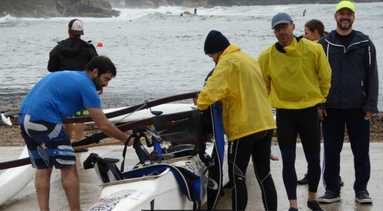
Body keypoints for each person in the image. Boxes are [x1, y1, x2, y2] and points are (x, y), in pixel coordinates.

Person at [19, 56, 131, 211]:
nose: (106, 84)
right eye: (106, 79)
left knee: (44, 168)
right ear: (95, 72)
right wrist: (126, 139)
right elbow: (103, 125)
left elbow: (57, 101)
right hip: (44, 121)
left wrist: (63, 138)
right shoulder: (86, 85)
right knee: (69, 167)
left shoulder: (72, 76)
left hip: (24, 119)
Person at [258, 13, 332, 211]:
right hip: (284, 114)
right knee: (288, 159)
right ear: (274, 31)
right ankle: (293, 205)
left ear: (293, 26)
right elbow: (262, 85)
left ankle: (312, 199)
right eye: (277, 29)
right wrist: (266, 108)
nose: (281, 32)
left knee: (314, 158)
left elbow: (325, 76)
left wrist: (321, 100)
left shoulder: (313, 49)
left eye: (284, 27)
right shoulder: (267, 56)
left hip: (309, 111)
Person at [197, 30, 277, 211]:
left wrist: (200, 107)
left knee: (238, 176)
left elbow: (208, 94)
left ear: (217, 51)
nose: (212, 60)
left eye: (211, 56)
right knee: (264, 175)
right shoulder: (249, 59)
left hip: (244, 128)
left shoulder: (226, 63)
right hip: (265, 124)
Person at [317, 1, 379, 204]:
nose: (345, 17)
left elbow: (372, 76)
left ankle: (361, 190)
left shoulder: (365, 43)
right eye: (341, 13)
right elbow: (314, 76)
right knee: (331, 151)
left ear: (353, 17)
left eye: (349, 14)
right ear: (335, 16)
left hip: (358, 107)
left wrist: (371, 105)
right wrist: (320, 103)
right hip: (331, 107)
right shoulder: (323, 45)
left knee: (361, 151)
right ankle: (332, 189)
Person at [298, 19, 346, 187]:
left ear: (316, 33)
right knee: (325, 143)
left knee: (318, 143)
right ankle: (328, 174)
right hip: (322, 101)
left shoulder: (318, 49)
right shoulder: (322, 47)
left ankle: (322, 175)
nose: (304, 37)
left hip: (319, 102)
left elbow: (322, 77)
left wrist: (321, 103)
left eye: (306, 33)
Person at [48, 19, 98, 143]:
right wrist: (98, 86)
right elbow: (97, 66)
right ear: (81, 33)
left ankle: (69, 140)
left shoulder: (58, 48)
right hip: (82, 84)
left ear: (69, 31)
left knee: (66, 113)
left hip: (63, 85)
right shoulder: (88, 48)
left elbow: (51, 68)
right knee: (80, 115)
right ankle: (77, 140)